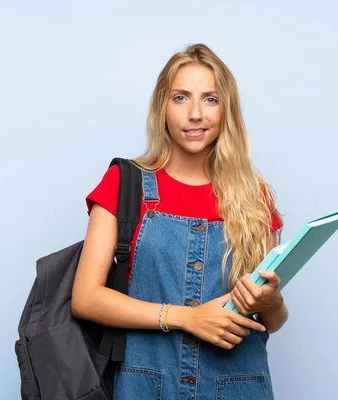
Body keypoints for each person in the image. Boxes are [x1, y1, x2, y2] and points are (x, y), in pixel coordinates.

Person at [72, 43, 289, 400]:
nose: (195, 114)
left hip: (238, 387)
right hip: (145, 387)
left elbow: (273, 323)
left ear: (226, 111)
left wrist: (272, 303)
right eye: (180, 98)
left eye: (210, 99)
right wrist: (186, 317)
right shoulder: (124, 184)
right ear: (162, 108)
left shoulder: (255, 198)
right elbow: (85, 298)